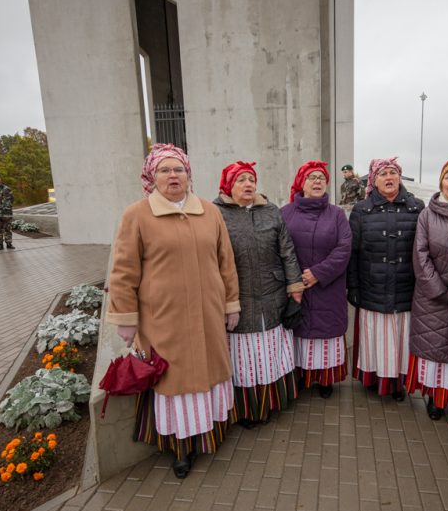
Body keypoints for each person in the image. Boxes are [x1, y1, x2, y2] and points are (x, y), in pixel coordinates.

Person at [107, 144, 240, 479]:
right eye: (164, 170)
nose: (172, 176)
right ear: (152, 177)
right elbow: (123, 272)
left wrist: (230, 304)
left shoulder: (210, 212)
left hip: (208, 316)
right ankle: (181, 449)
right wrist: (125, 319)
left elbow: (226, 263)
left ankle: (209, 434)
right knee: (175, 382)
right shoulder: (136, 215)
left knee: (207, 376)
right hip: (162, 320)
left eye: (178, 169)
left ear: (188, 174)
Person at [214, 161, 304, 427]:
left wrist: (294, 287)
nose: (248, 184)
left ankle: (274, 402)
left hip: (272, 296)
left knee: (271, 353)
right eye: (240, 179)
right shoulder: (215, 214)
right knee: (244, 359)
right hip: (238, 300)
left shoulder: (271, 211)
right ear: (229, 185)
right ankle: (248, 410)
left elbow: (287, 251)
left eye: (251, 179)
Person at [347, 157, 425, 400]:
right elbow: (353, 253)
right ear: (374, 179)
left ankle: (397, 384)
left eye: (393, 173)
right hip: (372, 286)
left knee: (400, 339)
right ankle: (373, 378)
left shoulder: (417, 207)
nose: (389, 178)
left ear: (400, 177)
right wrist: (353, 286)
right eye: (383, 174)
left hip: (405, 286)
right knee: (376, 337)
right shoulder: (361, 210)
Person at [406, 158, 448, 420]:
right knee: (436, 352)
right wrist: (441, 291)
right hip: (432, 297)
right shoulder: (427, 214)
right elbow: (420, 256)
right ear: (441, 182)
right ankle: (436, 398)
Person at [281, 161, 352, 398]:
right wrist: (295, 277)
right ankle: (301, 376)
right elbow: (280, 248)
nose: (317, 181)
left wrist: (319, 273)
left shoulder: (337, 214)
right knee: (300, 335)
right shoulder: (285, 213)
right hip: (296, 286)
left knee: (325, 337)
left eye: (321, 177)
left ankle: (325, 379)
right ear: (301, 183)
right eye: (311, 177)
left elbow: (344, 248)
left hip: (327, 287)